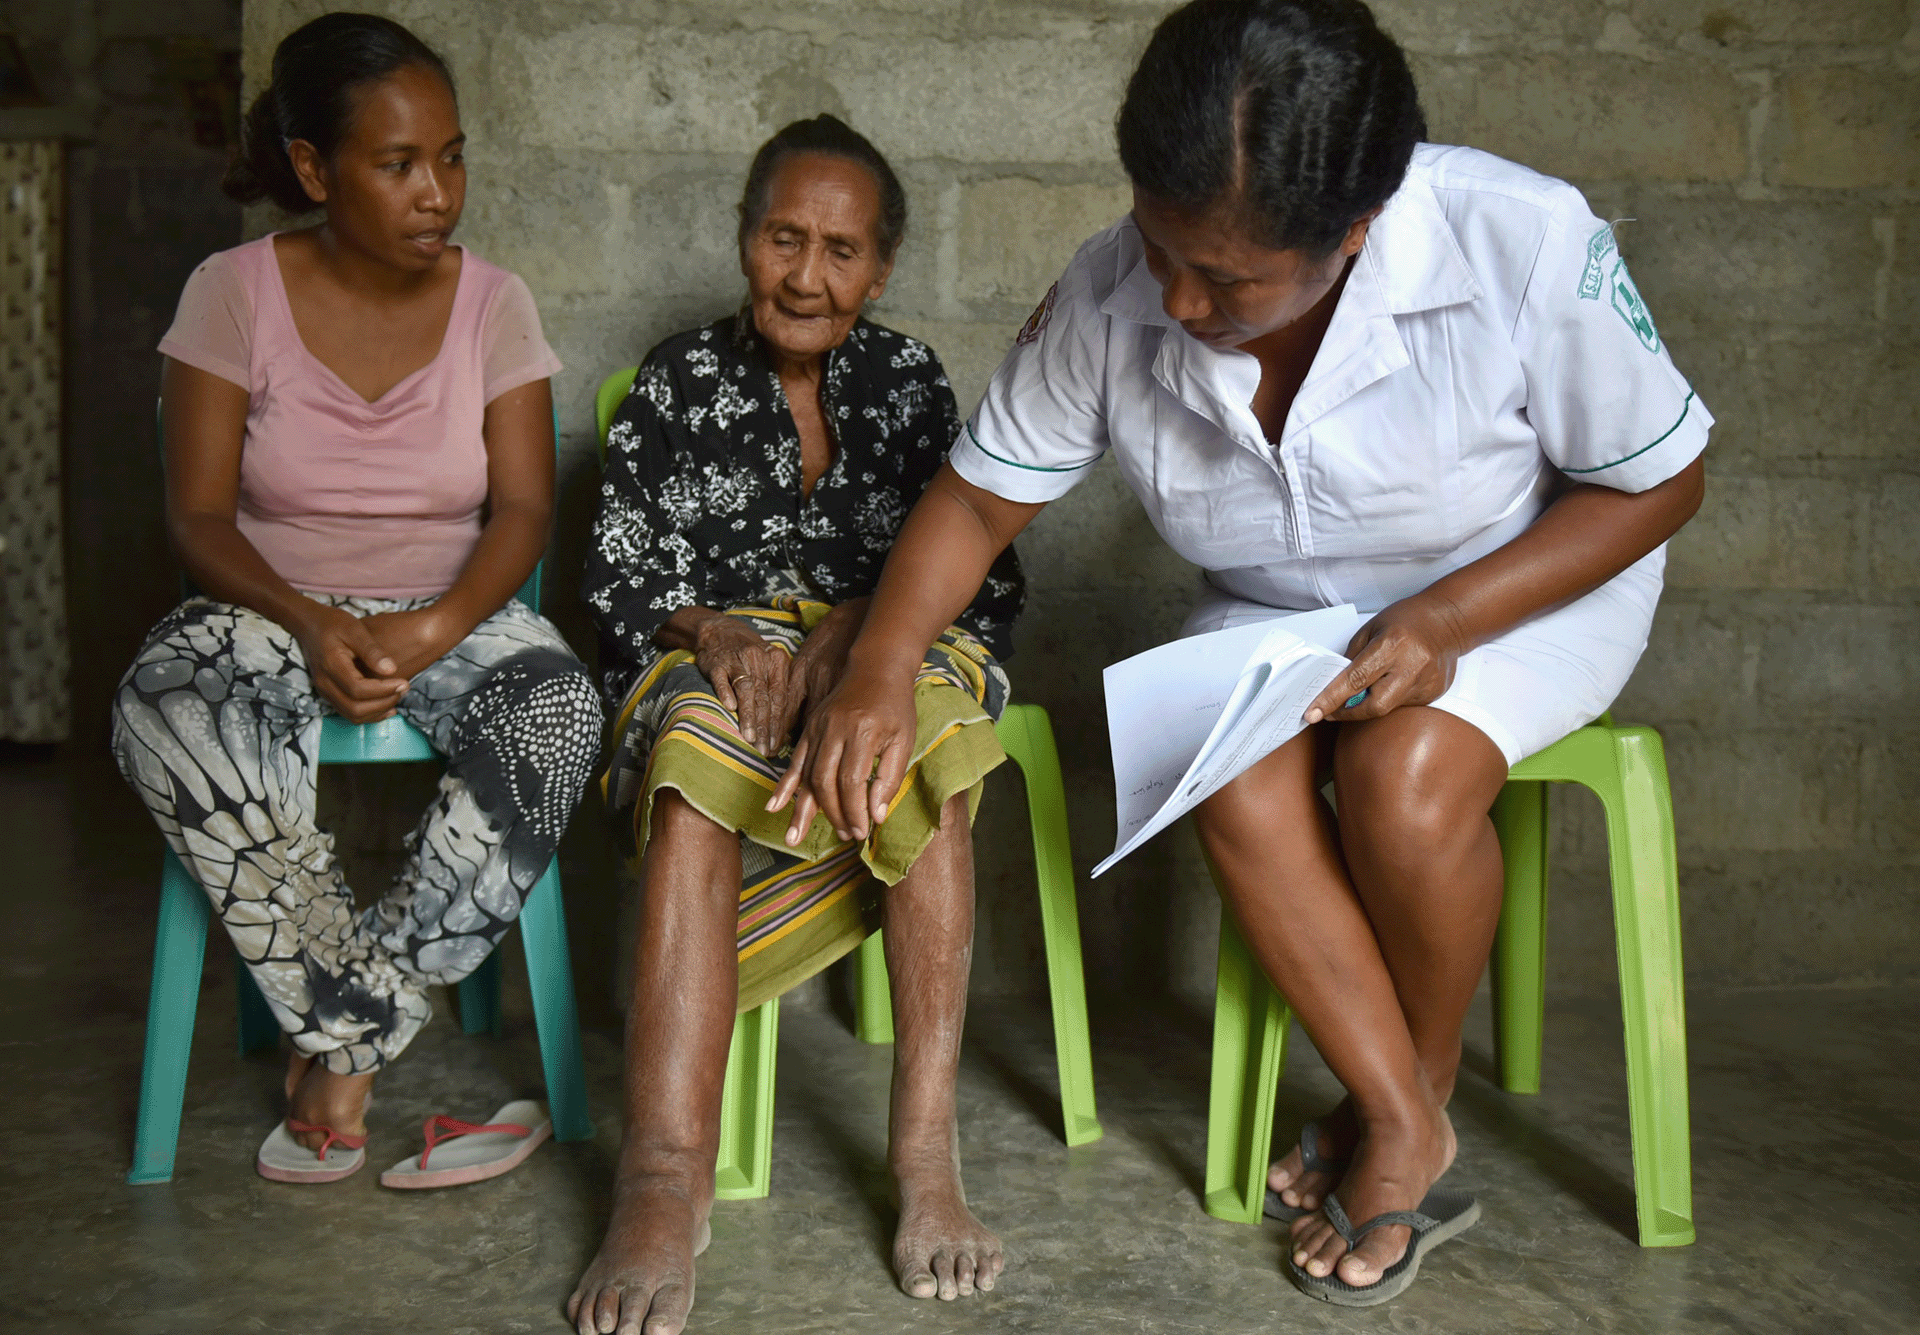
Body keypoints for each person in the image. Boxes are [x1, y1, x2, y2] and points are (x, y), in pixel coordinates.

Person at [774, 0, 1708, 1308]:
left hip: (1519, 578)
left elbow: (1657, 481)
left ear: (1358, 226)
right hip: (1276, 610)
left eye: (1228, 280)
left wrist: (1445, 622)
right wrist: (880, 662)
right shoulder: (1110, 287)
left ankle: (1409, 1098)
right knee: (1231, 777)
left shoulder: (1520, 238)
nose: (1176, 298)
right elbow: (979, 503)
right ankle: (1406, 1113)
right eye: (1161, 247)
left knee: (1401, 775)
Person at [112, 13, 601, 1186]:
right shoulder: (232, 293)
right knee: (164, 705)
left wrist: (437, 625)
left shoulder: (496, 303)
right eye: (398, 164)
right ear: (315, 169)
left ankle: (335, 1046)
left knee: (560, 712)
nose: (439, 192)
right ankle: (357, 1022)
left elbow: (523, 512)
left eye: (452, 157)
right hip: (269, 608)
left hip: (451, 607)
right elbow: (199, 519)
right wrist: (308, 620)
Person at [569, 116, 1025, 1334]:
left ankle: (925, 1155)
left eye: (840, 250)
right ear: (744, 238)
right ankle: (663, 1176)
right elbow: (617, 575)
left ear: (880, 269)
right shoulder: (675, 379)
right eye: (784, 238)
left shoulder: (913, 381)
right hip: (723, 646)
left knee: (925, 744)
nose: (807, 275)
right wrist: (718, 633)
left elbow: (983, 572)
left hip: (892, 641)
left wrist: (868, 633)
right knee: (686, 757)